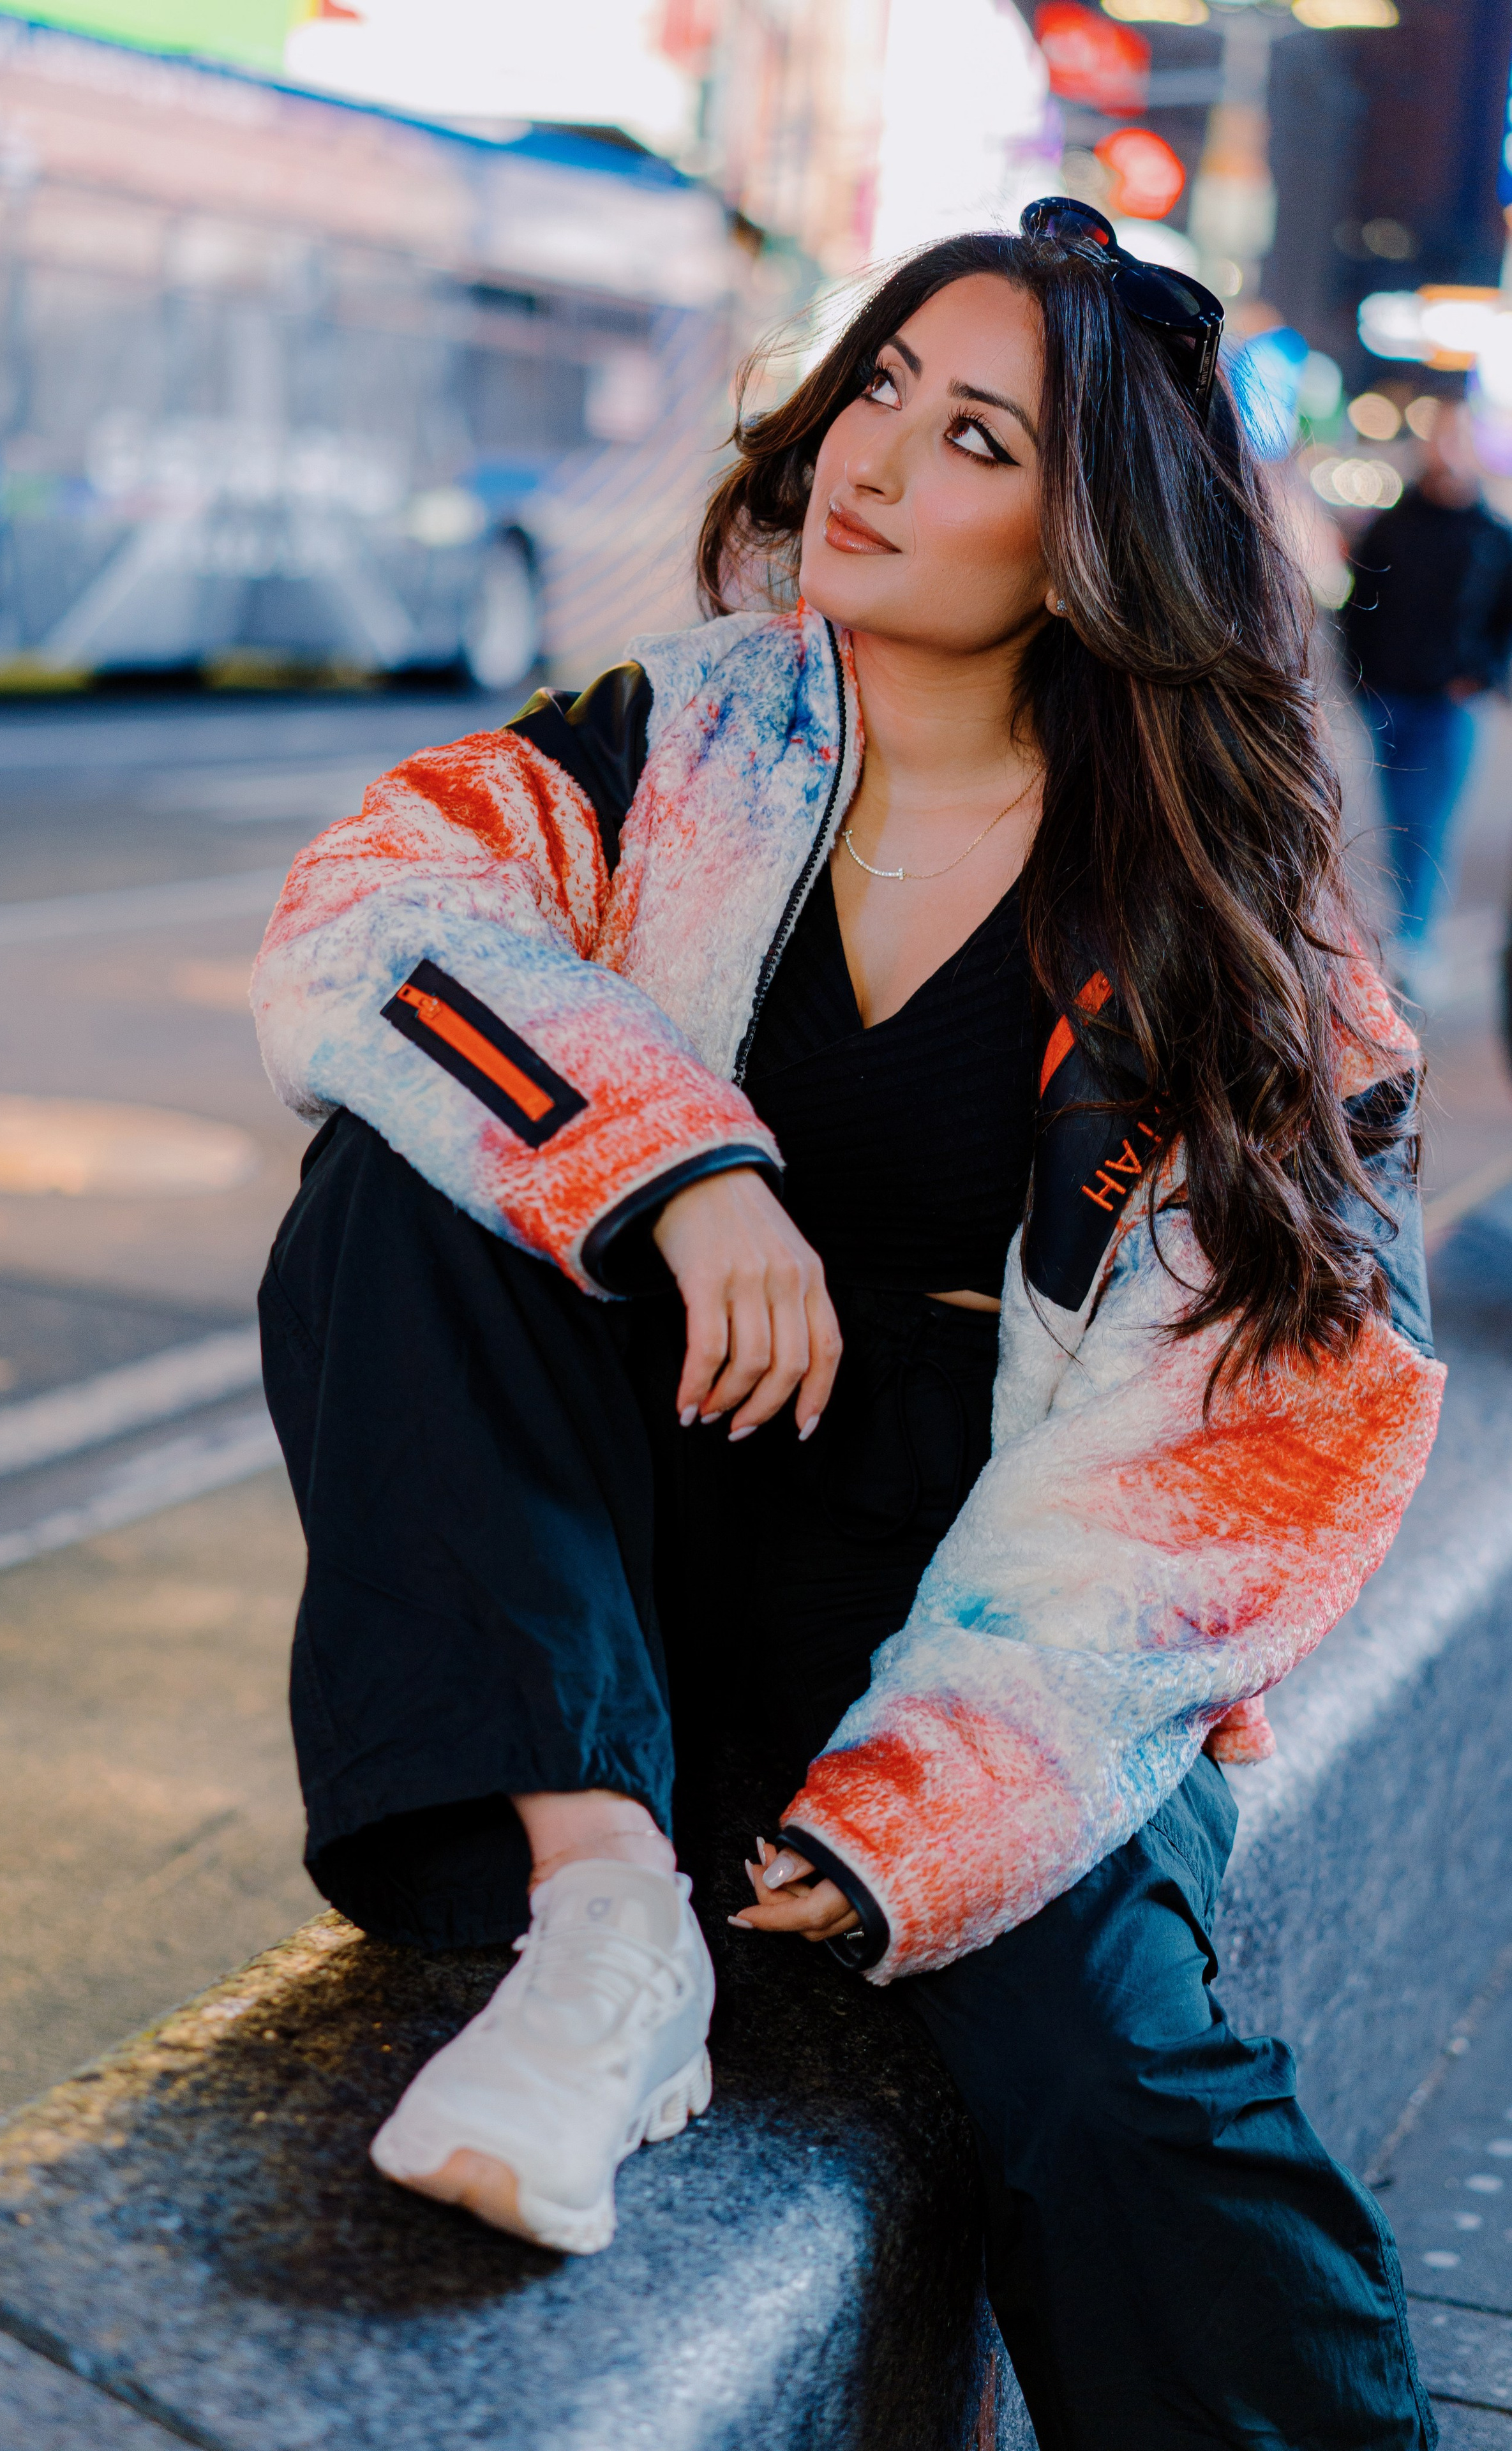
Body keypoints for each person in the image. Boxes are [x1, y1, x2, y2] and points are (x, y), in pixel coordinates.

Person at [252, 200, 1444, 2447]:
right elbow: (368, 930)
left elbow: (1258, 1447)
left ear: (1093, 548)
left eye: (975, 433)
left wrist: (931, 1808)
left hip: (995, 1604)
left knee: (1118, 2091)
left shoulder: (1228, 936)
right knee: (392, 1175)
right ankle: (603, 1924)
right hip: (653, 1533)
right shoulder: (663, 744)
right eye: (880, 381)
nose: (874, 456)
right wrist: (682, 1171)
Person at [1342, 398, 1512, 1000]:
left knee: (1429, 821)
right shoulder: (1392, 525)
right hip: (1389, 696)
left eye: (1456, 438)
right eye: (1438, 438)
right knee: (1396, 816)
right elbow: (1358, 606)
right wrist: (1358, 675)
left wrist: (1485, 674)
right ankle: (1411, 933)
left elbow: (1504, 621)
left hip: (1448, 704)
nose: (1445, 449)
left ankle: (1415, 938)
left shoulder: (1493, 535)